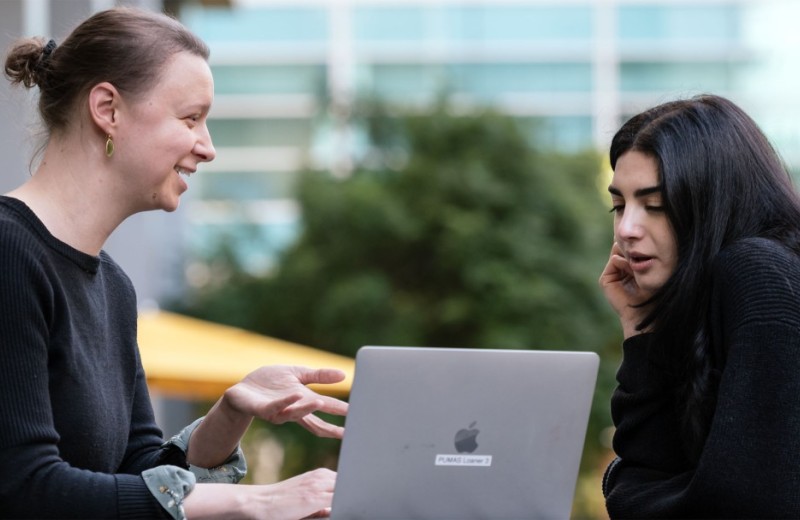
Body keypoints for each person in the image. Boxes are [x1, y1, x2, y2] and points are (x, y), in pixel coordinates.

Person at [0, 7, 348, 520]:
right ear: (107, 109)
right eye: (191, 118)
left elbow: (136, 474)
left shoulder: (113, 287)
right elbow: (26, 489)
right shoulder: (9, 253)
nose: (207, 148)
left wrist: (230, 412)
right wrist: (260, 499)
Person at [599, 93, 800, 518]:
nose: (627, 229)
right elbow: (651, 468)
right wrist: (641, 330)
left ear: (711, 203)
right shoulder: (704, 296)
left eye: (654, 205)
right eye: (619, 205)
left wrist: (628, 491)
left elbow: (741, 505)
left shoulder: (757, 271)